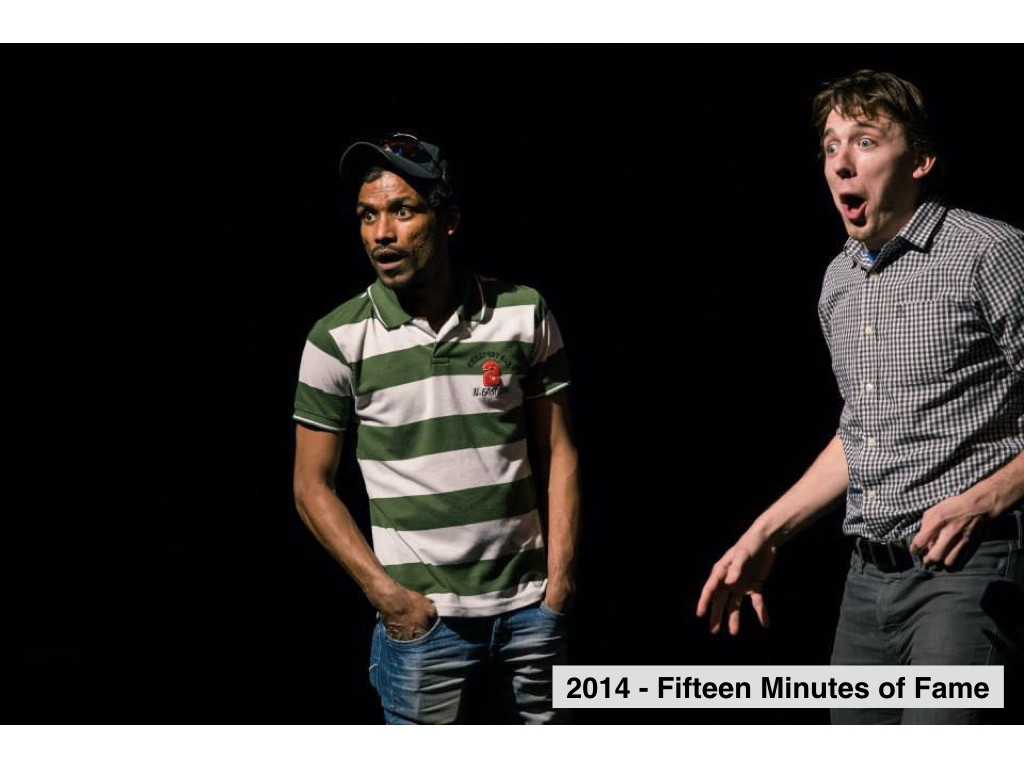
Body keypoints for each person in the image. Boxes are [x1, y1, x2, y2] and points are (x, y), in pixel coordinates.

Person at [696, 70, 1024, 725]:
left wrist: (986, 498)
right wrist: (765, 534)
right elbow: (863, 434)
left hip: (968, 570)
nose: (841, 162)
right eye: (830, 146)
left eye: (866, 141)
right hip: (867, 584)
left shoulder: (989, 252)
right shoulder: (838, 281)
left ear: (920, 160)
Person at [291, 132, 580, 724]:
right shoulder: (337, 339)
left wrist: (560, 582)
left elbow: (559, 450)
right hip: (424, 626)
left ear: (448, 221)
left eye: (402, 211)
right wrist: (387, 597)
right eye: (368, 215)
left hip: (530, 613)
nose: (381, 233)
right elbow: (310, 487)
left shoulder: (522, 311)